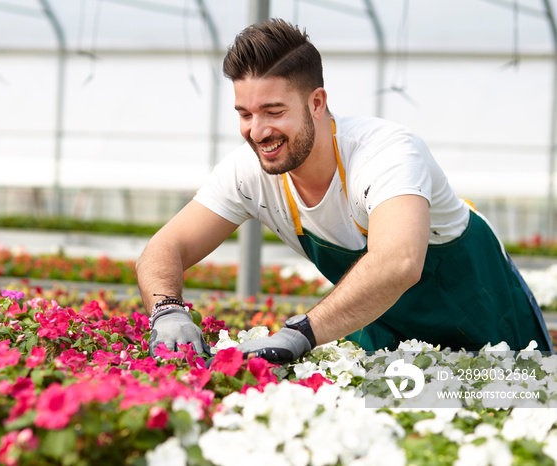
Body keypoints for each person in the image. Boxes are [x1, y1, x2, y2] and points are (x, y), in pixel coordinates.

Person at [136, 18, 553, 364]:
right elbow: (165, 247)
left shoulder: (385, 152)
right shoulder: (248, 172)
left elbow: (399, 262)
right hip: (383, 321)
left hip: (486, 314)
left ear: (317, 102)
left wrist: (301, 332)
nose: (257, 131)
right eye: (244, 113)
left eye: (274, 111)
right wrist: (166, 310)